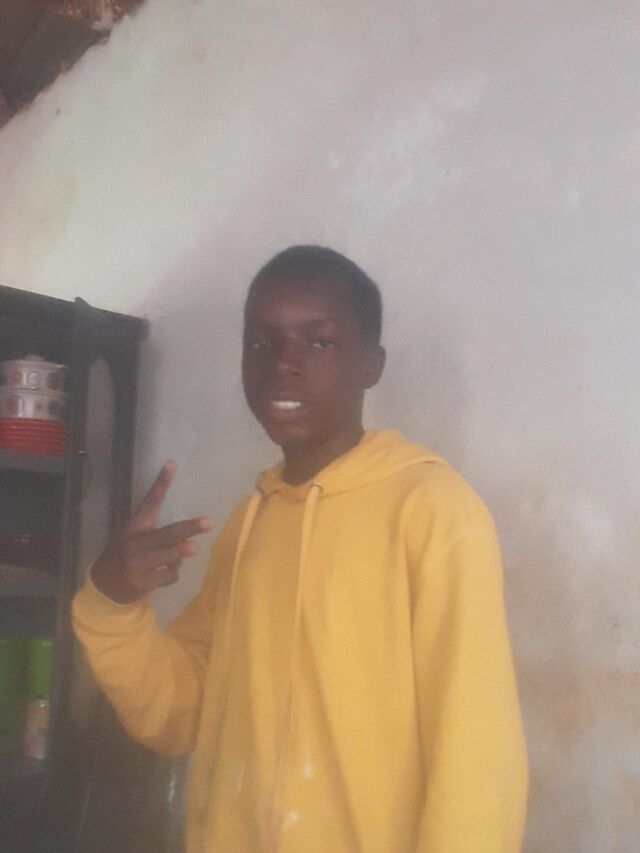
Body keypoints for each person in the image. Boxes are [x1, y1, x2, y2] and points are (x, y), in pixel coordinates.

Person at [73, 245, 528, 853]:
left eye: (319, 342)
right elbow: (181, 714)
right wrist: (111, 603)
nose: (283, 364)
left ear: (370, 364)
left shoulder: (432, 511)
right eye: (261, 342)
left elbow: (476, 756)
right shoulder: (250, 524)